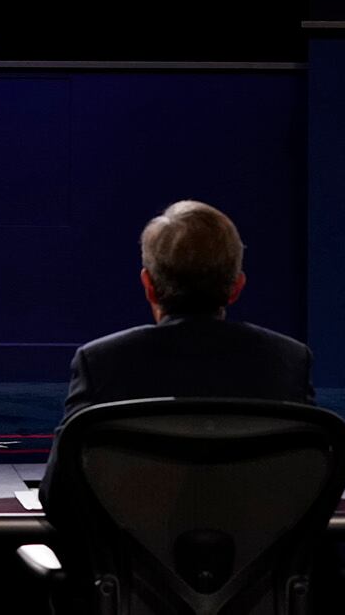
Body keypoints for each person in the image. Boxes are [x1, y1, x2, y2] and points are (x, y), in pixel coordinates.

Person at [41, 200, 313, 506]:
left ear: (149, 286)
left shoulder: (101, 363)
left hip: (133, 552)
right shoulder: (289, 361)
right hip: (260, 551)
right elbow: (308, 491)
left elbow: (59, 497)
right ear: (236, 287)